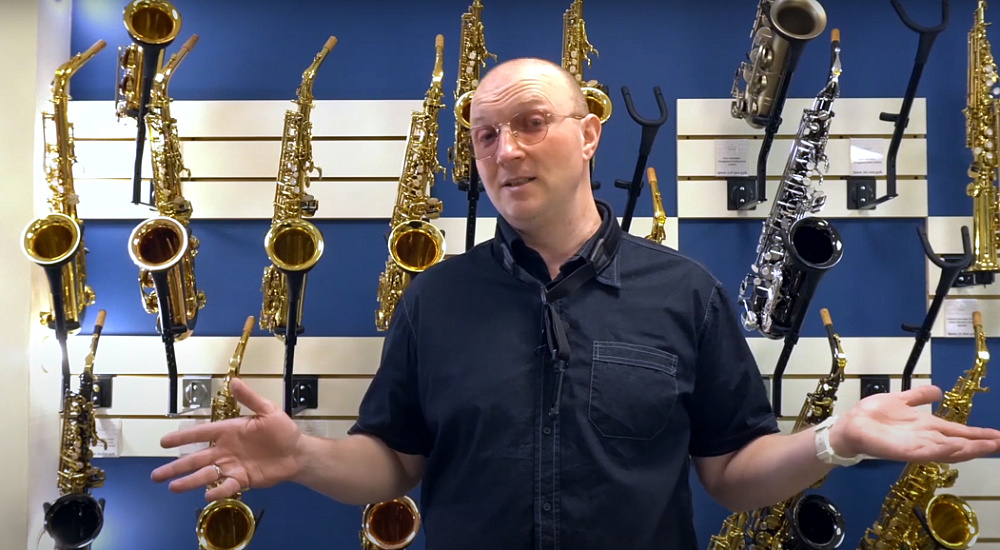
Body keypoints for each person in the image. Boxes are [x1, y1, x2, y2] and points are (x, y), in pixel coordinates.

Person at [151, 58, 1000, 550]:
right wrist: (306, 455)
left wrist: (833, 441)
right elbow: (392, 464)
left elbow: (732, 476)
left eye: (530, 122)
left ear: (589, 134)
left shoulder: (687, 294)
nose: (504, 150)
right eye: (485, 135)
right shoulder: (434, 299)